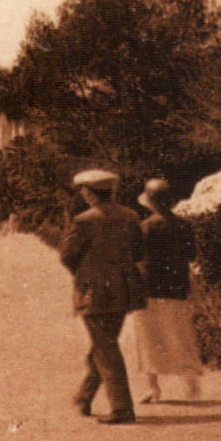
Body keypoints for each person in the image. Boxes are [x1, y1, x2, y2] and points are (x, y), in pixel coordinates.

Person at [59, 169, 149, 424]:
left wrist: (86, 271)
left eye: (84, 191)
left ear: (89, 193)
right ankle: (84, 396)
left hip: (94, 293)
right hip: (122, 290)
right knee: (104, 344)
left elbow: (66, 255)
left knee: (106, 348)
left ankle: (122, 409)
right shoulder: (130, 216)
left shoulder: (85, 220)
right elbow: (138, 253)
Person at [123, 177, 206, 402]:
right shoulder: (184, 225)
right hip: (177, 288)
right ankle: (191, 386)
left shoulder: (145, 227)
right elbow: (191, 257)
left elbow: (137, 262)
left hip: (150, 290)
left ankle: (154, 389)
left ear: (149, 202)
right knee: (181, 337)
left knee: (148, 340)